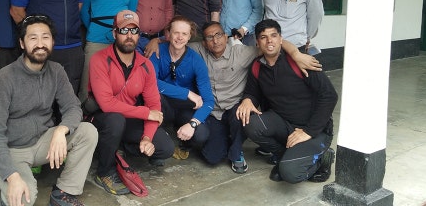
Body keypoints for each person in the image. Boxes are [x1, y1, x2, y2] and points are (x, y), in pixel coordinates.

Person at [0, 15, 98, 206]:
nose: (40, 44)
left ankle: (63, 193)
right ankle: (9, 190)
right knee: (24, 200)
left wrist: (62, 130)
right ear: (22, 43)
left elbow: (72, 107)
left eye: (45, 37)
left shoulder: (56, 71)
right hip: (11, 151)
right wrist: (11, 176)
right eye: (33, 38)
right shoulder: (4, 78)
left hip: (43, 142)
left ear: (52, 42)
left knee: (87, 132)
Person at [188, 21, 321, 173]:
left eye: (218, 35)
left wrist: (296, 54)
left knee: (243, 114)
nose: (215, 40)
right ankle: (227, 139)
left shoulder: (241, 52)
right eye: (210, 37)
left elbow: (272, 45)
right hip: (213, 112)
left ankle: (236, 152)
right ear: (204, 43)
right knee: (212, 158)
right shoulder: (197, 50)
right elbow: (177, 41)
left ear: (226, 37)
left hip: (234, 108)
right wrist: (156, 41)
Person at [239, 19, 337, 183]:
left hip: (314, 129)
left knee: (290, 174)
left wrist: (308, 132)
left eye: (273, 35)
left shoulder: (299, 62)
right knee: (250, 123)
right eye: (263, 37)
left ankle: (322, 158)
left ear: (281, 39)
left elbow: (329, 95)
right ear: (258, 42)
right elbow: (252, 91)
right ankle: (283, 156)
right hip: (284, 124)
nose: (269, 41)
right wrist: (248, 100)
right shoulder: (257, 66)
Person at [88, 10, 174, 195]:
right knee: (115, 120)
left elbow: (154, 107)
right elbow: (107, 104)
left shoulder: (145, 64)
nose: (129, 36)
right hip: (101, 119)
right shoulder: (99, 60)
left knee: (165, 149)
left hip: (128, 116)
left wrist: (147, 138)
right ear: (114, 33)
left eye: (134, 31)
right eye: (123, 30)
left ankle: (121, 147)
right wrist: (145, 113)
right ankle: (104, 171)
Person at [79, 0, 139, 102]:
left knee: (118, 83)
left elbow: (131, 13)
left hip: (121, 39)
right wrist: (93, 28)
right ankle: (84, 118)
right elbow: (84, 10)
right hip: (96, 38)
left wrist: (124, 32)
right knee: (88, 83)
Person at [149, 16, 214, 161]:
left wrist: (192, 124)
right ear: (168, 34)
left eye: (184, 34)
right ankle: (158, 142)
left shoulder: (195, 60)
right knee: (152, 96)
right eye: (176, 33)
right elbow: (150, 83)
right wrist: (187, 93)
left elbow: (209, 100)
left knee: (201, 134)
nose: (179, 37)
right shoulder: (157, 51)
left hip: (183, 109)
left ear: (190, 36)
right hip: (162, 104)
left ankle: (184, 144)